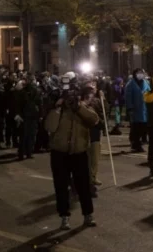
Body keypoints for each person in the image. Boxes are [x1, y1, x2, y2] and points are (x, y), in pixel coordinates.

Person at [46, 81, 99, 230]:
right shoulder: (59, 110)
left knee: (83, 187)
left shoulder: (82, 108)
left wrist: (79, 107)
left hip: (79, 152)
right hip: (59, 153)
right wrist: (57, 107)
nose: (70, 100)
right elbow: (49, 126)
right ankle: (64, 217)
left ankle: (88, 215)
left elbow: (94, 120)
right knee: (61, 187)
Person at [16, 74, 42, 160]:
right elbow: (39, 104)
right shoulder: (35, 91)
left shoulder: (22, 92)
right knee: (29, 135)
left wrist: (18, 114)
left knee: (25, 135)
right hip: (30, 116)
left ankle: (23, 153)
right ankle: (28, 153)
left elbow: (18, 104)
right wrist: (40, 115)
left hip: (26, 115)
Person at [125, 68, 150, 153]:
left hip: (145, 109)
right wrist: (130, 108)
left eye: (142, 73)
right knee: (136, 128)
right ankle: (135, 144)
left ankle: (138, 141)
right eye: (139, 73)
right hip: (135, 109)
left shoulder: (146, 83)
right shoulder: (130, 84)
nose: (141, 74)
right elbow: (128, 97)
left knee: (144, 127)